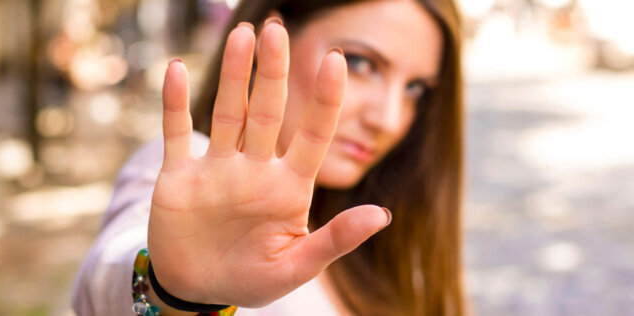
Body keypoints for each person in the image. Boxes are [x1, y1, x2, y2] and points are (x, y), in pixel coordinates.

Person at [72, 0, 465, 315]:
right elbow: (107, 274)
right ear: (272, 37)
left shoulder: (375, 232)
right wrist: (171, 291)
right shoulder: (186, 166)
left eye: (416, 89)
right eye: (362, 64)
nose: (391, 119)